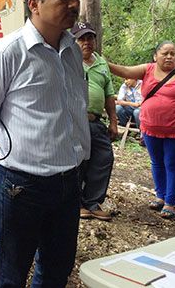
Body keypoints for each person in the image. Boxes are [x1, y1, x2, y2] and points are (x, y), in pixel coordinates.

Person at [0, 0, 90, 287]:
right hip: (19, 186)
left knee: (56, 269)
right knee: (9, 275)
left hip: (66, 182)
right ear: (34, 4)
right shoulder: (7, 53)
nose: (73, 4)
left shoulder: (72, 50)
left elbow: (74, 108)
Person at [109, 41, 175, 219]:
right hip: (151, 127)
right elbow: (123, 71)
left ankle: (170, 203)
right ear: (156, 56)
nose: (169, 56)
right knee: (156, 162)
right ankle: (160, 197)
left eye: (172, 53)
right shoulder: (147, 69)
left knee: (172, 164)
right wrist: (101, 62)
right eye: (165, 53)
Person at [71, 22, 118, 221]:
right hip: (74, 121)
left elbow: (109, 95)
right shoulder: (67, 61)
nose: (86, 42)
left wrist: (114, 121)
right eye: (81, 38)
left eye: (89, 38)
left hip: (96, 122)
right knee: (78, 163)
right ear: (73, 41)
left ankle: (92, 201)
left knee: (103, 158)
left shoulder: (101, 64)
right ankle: (77, 204)